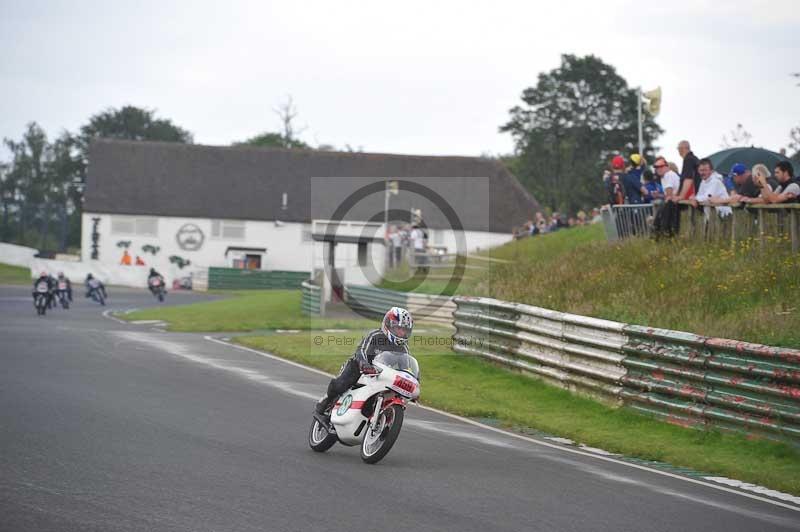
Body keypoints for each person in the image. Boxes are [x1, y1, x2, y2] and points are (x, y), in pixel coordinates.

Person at [314, 307, 414, 422]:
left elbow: (406, 368)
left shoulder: (404, 349)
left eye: (405, 330)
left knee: (393, 393)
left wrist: (411, 384)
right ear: (388, 324)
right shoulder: (375, 336)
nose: (401, 333)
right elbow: (361, 350)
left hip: (381, 375)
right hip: (360, 368)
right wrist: (364, 363)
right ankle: (325, 401)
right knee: (342, 384)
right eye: (398, 328)